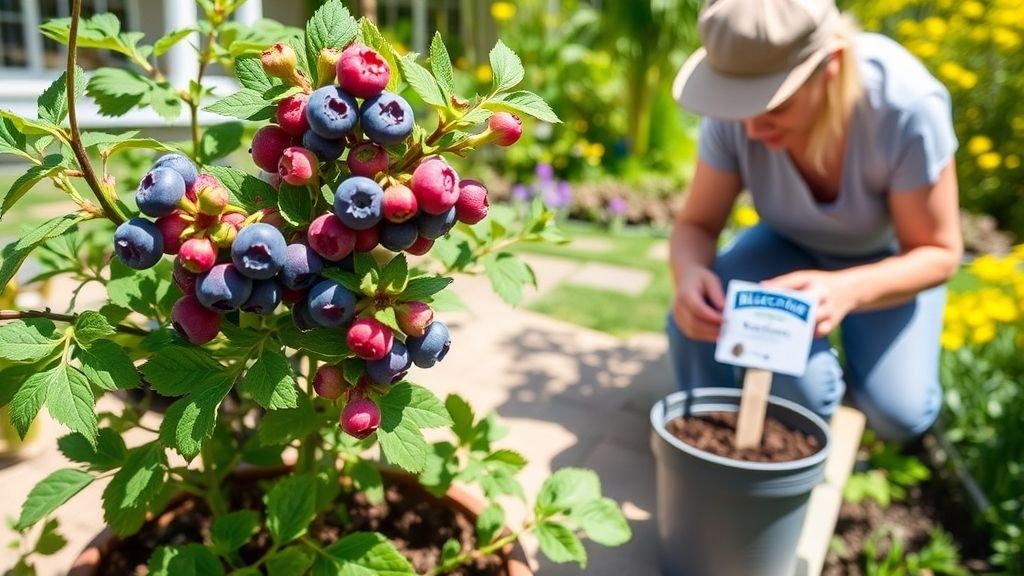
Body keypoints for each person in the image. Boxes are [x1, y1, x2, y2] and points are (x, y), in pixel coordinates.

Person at [666, 0, 962, 441]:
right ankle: (715, 431)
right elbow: (697, 225)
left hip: (884, 259)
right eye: (741, 107)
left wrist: (846, 291)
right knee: (799, 386)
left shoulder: (905, 107)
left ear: (831, 66)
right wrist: (689, 273)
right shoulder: (737, 115)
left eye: (775, 106)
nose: (752, 130)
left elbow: (938, 252)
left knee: (900, 413)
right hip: (781, 246)